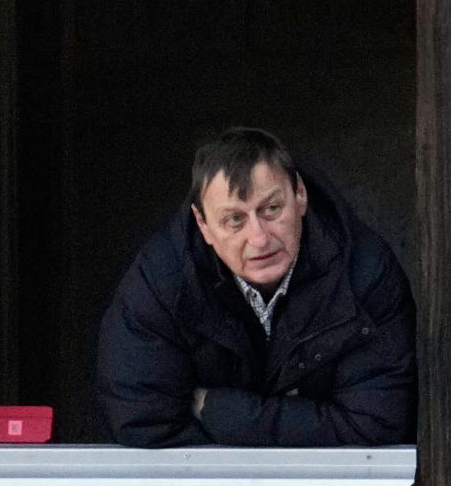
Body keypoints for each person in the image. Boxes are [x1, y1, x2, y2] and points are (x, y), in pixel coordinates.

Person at [93, 127, 415, 447]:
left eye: (271, 209)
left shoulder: (363, 273)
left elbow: (375, 425)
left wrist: (217, 410)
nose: (259, 238)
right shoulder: (163, 280)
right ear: (203, 224)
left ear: (299, 195)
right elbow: (141, 420)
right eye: (235, 220)